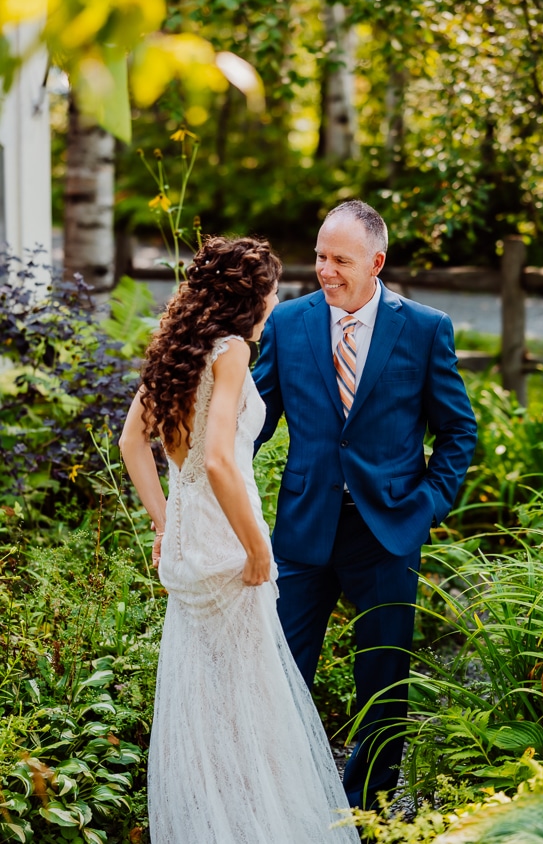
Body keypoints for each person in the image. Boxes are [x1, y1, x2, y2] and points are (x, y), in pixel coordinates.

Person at [119, 236, 360, 844]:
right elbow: (222, 461)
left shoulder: (176, 348)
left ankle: (211, 820)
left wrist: (165, 523)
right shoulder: (226, 352)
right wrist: (257, 547)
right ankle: (252, 826)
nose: (278, 300)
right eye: (273, 290)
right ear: (249, 298)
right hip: (228, 549)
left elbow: (131, 443)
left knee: (204, 698)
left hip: (187, 549)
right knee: (248, 703)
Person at [253, 201, 478, 809]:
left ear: (376, 262)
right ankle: (288, 799)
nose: (325, 270)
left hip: (388, 530)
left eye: (340, 260)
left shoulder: (426, 328)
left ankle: (367, 811)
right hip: (303, 527)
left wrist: (428, 504)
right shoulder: (288, 323)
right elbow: (255, 420)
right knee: (280, 670)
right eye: (320, 256)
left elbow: (459, 431)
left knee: (382, 682)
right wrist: (219, 488)